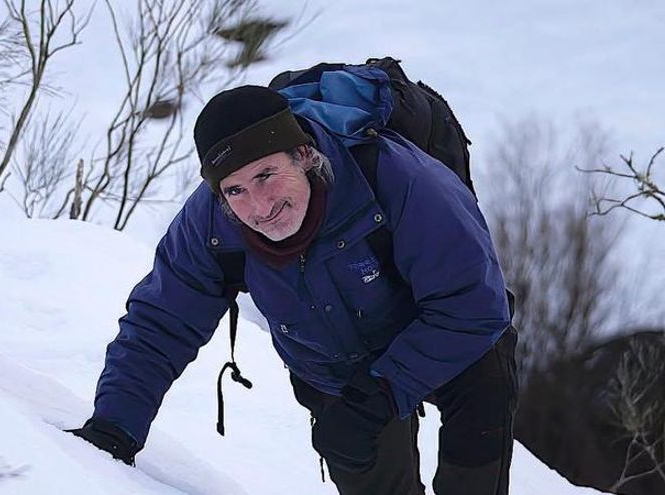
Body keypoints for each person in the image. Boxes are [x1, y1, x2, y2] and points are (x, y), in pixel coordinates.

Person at [68, 84, 518, 495]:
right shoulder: (211, 225)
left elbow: (473, 304)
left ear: (303, 155)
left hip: (451, 339)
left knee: (480, 415)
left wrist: (384, 390)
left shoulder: (402, 181)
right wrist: (114, 427)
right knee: (364, 467)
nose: (259, 206)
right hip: (333, 363)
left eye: (266, 175)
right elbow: (161, 323)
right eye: (235, 190)